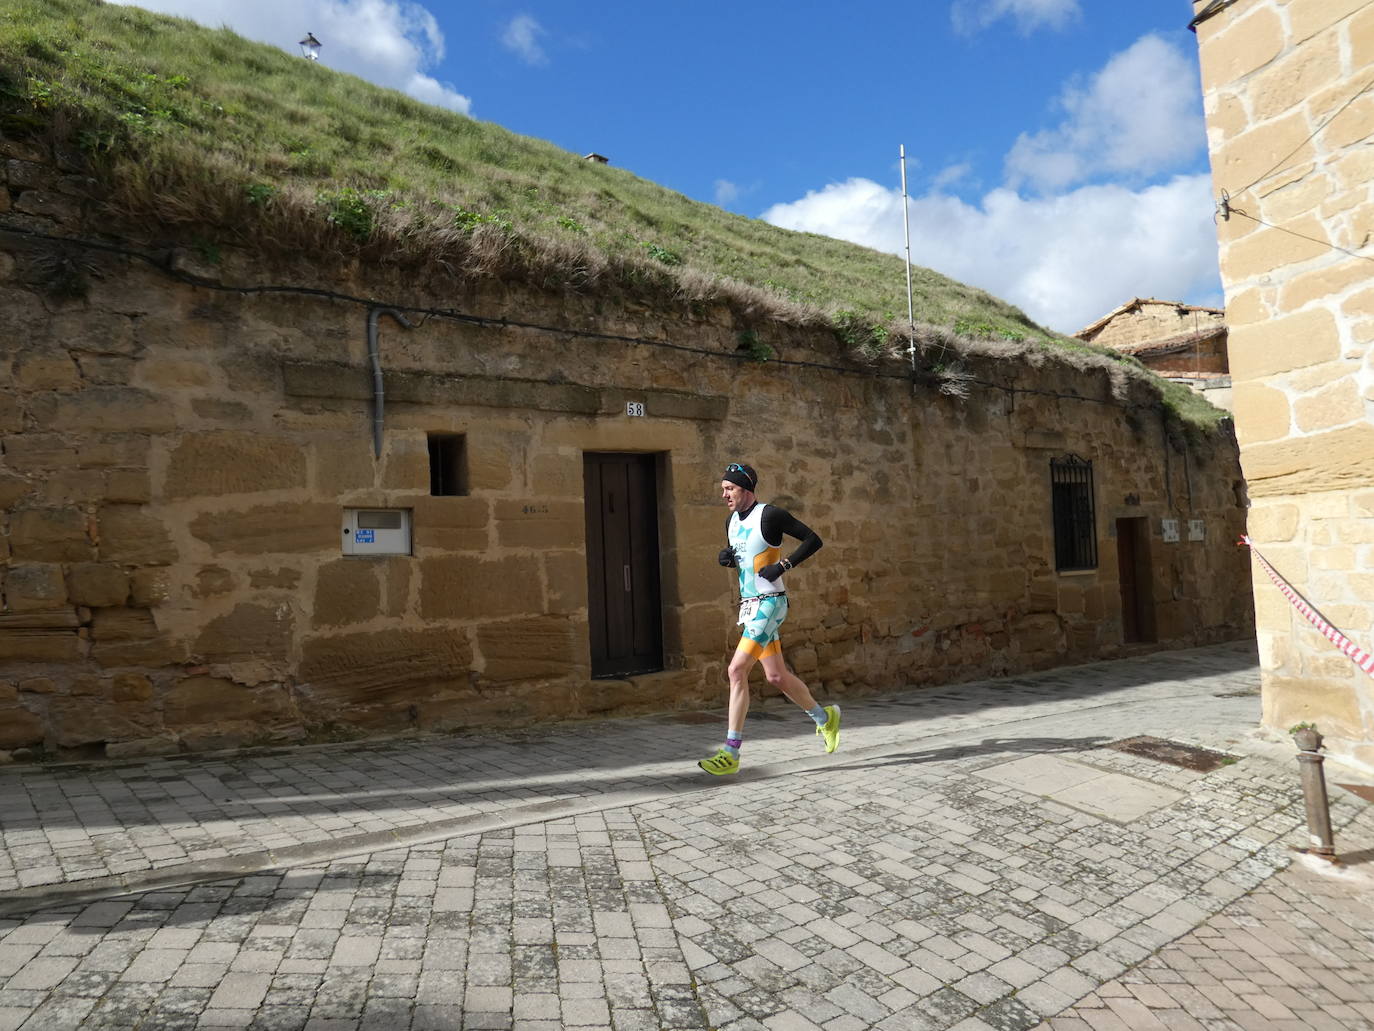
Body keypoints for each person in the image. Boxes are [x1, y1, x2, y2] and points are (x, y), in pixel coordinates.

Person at [698, 462, 840, 775]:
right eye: (723, 488)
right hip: (749, 605)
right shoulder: (731, 521)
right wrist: (727, 558)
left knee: (736, 670)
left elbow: (813, 539)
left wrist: (784, 566)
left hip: (770, 602)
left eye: (730, 488)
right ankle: (824, 718)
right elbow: (742, 555)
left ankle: (730, 753)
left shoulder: (771, 515)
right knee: (776, 677)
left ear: (746, 489)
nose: (724, 494)